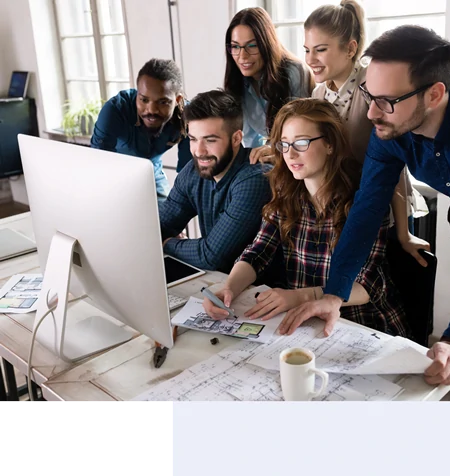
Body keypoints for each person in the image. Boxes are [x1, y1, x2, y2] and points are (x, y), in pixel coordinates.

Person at [279, 25, 450, 400]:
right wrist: (334, 293)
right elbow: (367, 208)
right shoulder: (388, 126)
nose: (373, 112)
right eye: (370, 95)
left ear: (434, 94)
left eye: (387, 100)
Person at [203, 98, 410, 338]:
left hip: (363, 324)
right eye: (284, 144)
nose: (290, 154)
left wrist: (300, 296)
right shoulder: (286, 194)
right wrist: (228, 288)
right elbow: (257, 252)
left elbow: (368, 285)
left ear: (331, 144)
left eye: (301, 143)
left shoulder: (364, 201)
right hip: (306, 321)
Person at [304, 0, 430, 266]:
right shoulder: (318, 93)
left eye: (320, 50)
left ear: (350, 48)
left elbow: (392, 166)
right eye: (307, 50)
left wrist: (404, 234)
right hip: (345, 210)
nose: (310, 60)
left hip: (384, 204)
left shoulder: (373, 86)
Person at [159, 89, 272, 274]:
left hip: (261, 292)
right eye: (193, 139)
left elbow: (211, 257)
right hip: (217, 284)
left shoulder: (255, 178)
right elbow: (160, 227)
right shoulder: (194, 170)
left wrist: (166, 244)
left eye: (210, 140)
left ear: (236, 138)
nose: (199, 151)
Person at [224, 7, 314, 162]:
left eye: (251, 46)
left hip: (301, 158)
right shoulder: (238, 81)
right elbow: (250, 141)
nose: (242, 56)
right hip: (273, 160)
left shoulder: (294, 73)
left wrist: (273, 149)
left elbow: (303, 133)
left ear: (266, 44)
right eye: (235, 46)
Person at [91, 58, 185, 202]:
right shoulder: (115, 110)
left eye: (163, 102)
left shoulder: (188, 117)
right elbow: (100, 162)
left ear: (177, 100)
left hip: (152, 172)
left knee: (168, 220)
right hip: (115, 176)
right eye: (144, 100)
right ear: (137, 95)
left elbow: (189, 174)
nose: (151, 110)